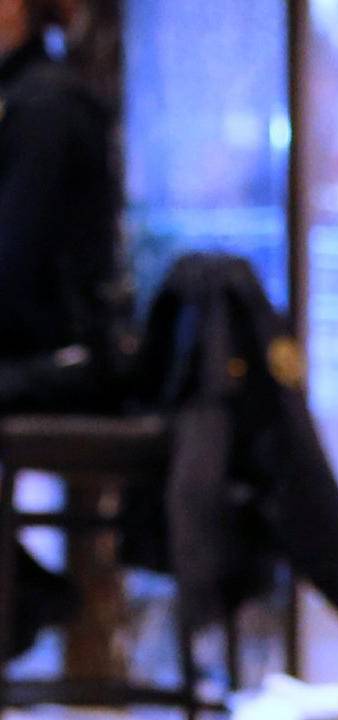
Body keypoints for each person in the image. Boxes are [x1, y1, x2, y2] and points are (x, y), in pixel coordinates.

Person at [0, 0, 120, 661]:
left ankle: (26, 592)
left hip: (70, 359)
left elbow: (16, 270)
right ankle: (27, 587)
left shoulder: (44, 104)